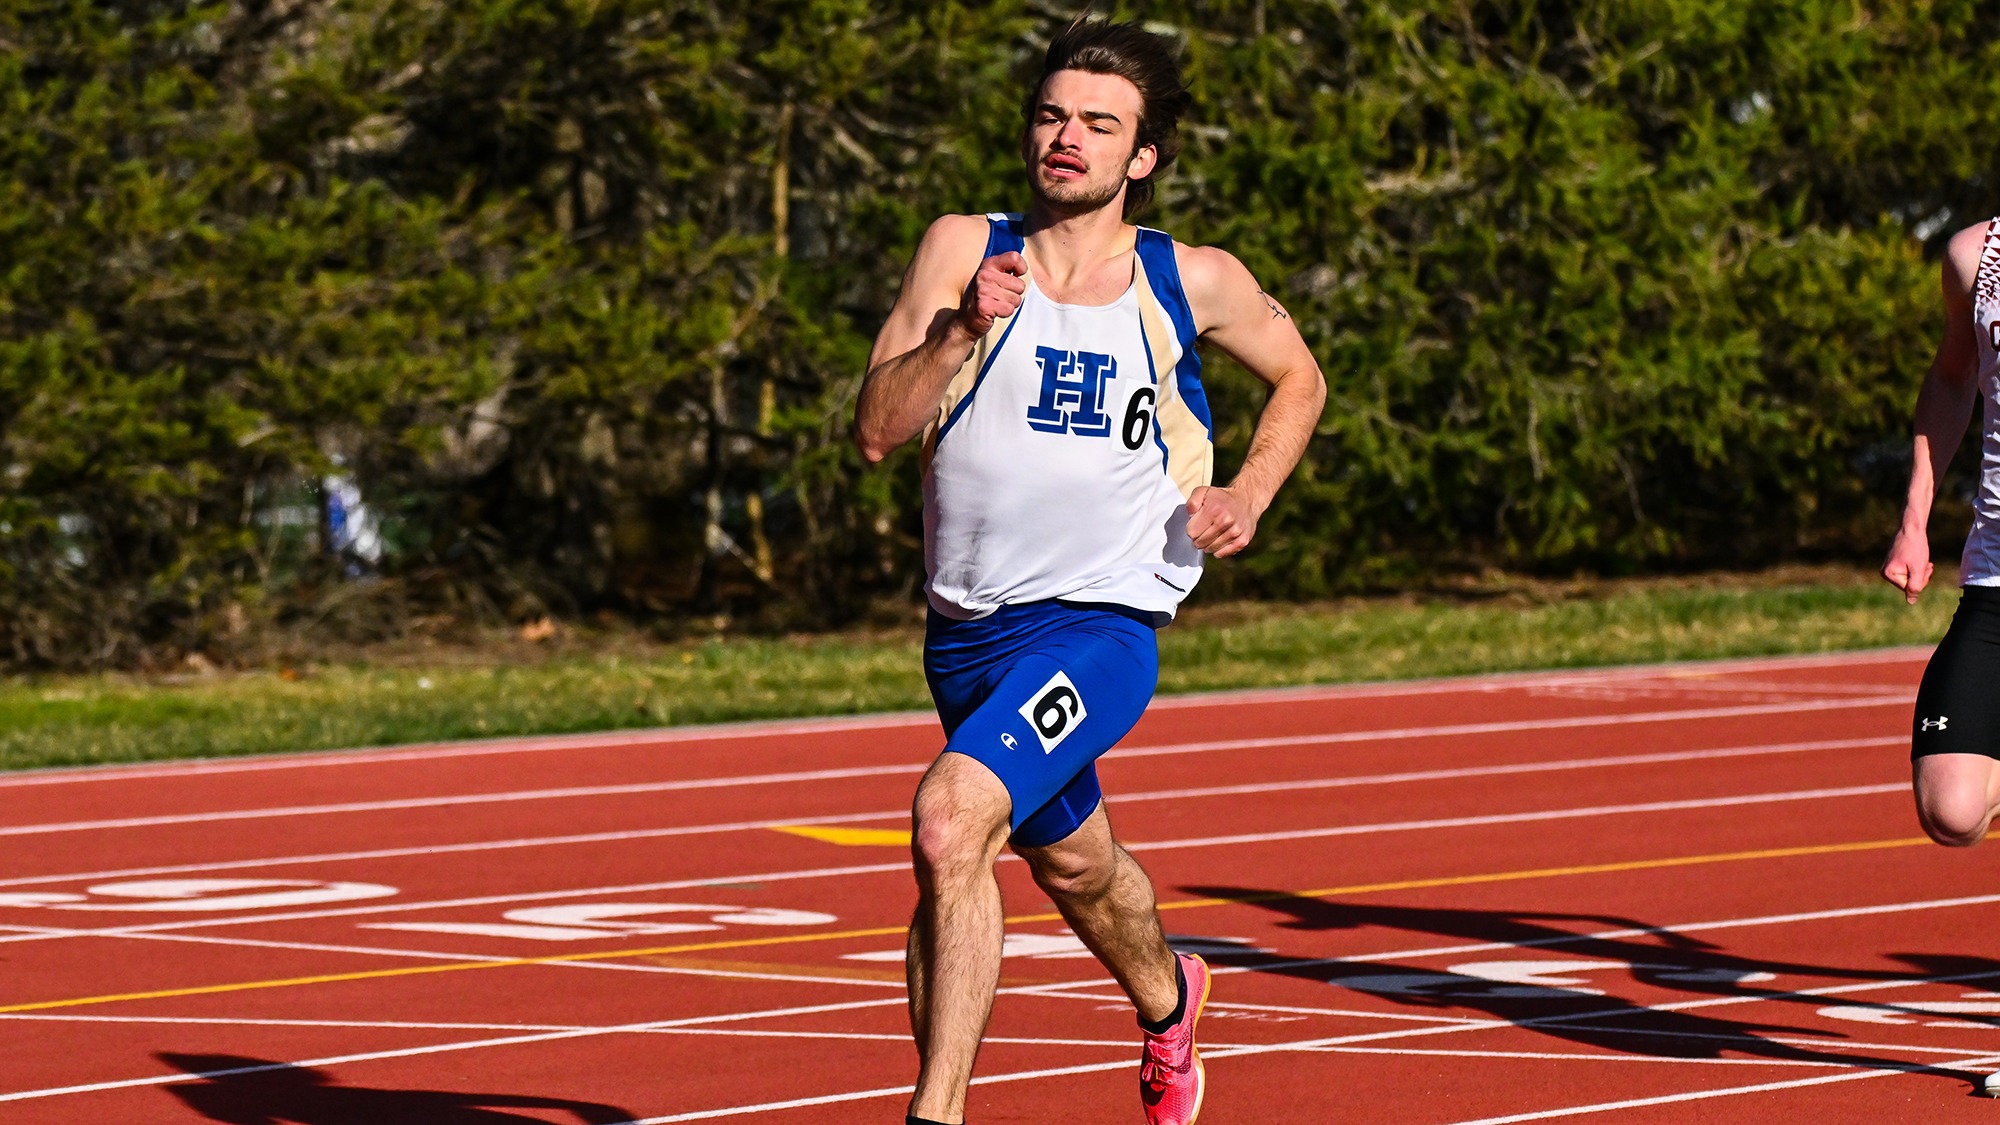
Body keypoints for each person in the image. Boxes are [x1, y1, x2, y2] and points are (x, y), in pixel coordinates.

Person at [853, 17, 1326, 1125]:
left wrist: (1244, 496)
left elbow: (1297, 381)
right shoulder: (963, 248)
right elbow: (876, 428)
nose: (1066, 138)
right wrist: (957, 333)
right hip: (966, 631)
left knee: (947, 819)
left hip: (1100, 626)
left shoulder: (1188, 278)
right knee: (1072, 866)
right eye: (1052, 115)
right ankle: (1169, 1002)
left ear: (1141, 157)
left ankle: (934, 1114)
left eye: (1097, 124)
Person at [1885, 218, 2000, 846]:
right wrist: (1915, 520)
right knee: (1950, 809)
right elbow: (1954, 378)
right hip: (1996, 576)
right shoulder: (1975, 255)